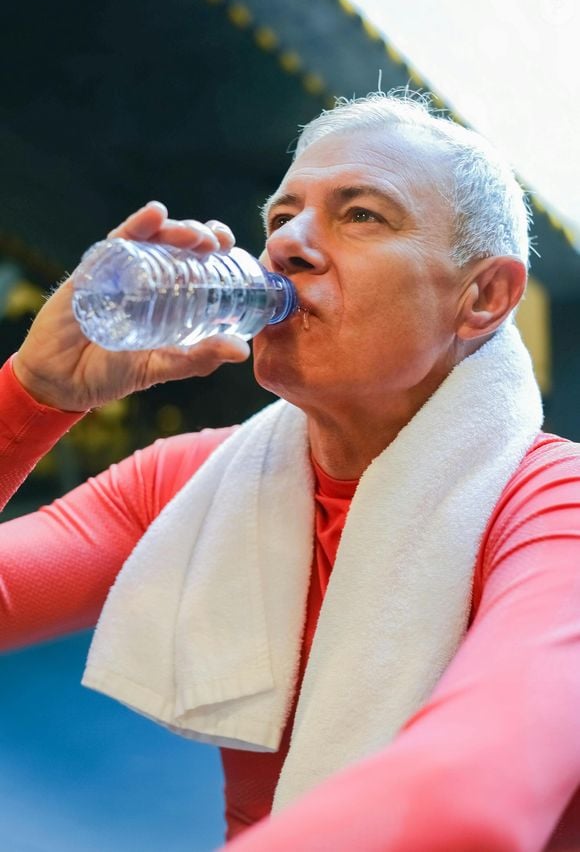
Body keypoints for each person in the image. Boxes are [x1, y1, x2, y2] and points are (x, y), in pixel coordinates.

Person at [1, 91, 580, 851]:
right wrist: (32, 394)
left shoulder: (552, 511)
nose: (286, 246)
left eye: (362, 214)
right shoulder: (193, 483)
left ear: (484, 297)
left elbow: (467, 804)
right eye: (280, 218)